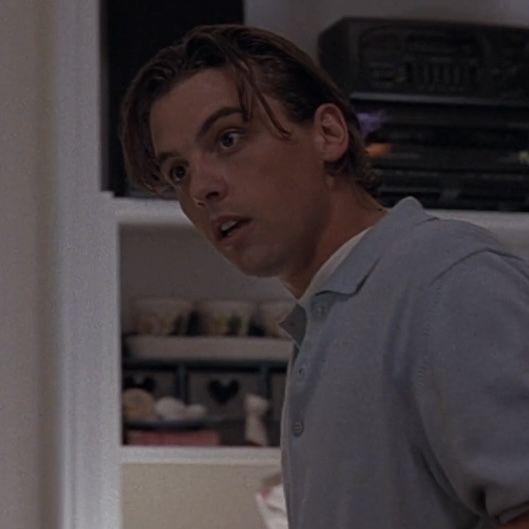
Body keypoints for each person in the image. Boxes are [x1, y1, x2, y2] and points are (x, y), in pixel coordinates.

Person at [119, 24, 529, 529]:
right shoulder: (328, 317)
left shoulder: (446, 282)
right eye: (178, 172)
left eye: (228, 138)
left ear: (329, 134)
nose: (201, 187)